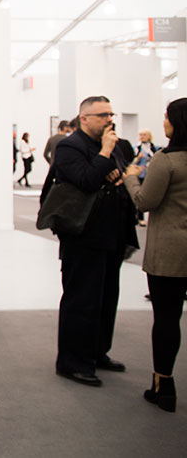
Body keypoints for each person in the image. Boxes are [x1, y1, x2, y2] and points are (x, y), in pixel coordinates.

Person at [52, 95, 138, 387]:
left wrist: (118, 174)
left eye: (111, 114)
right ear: (84, 118)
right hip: (83, 234)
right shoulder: (70, 147)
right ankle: (72, 362)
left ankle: (98, 352)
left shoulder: (114, 145)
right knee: (82, 300)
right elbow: (86, 180)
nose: (109, 120)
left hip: (111, 232)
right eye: (103, 115)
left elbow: (118, 174)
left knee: (106, 297)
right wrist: (105, 154)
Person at [123, 98, 187, 413]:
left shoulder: (167, 160)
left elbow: (145, 201)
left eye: (167, 117)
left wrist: (130, 178)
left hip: (170, 251)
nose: (164, 122)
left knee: (166, 317)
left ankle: (164, 385)